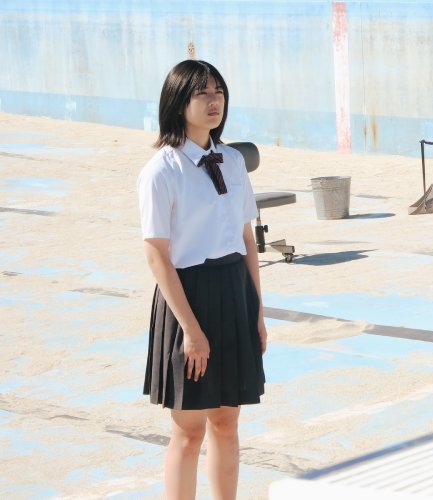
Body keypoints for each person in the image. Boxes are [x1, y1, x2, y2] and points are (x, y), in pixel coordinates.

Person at [137, 59, 268, 499]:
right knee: (189, 431)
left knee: (227, 422)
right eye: (202, 93)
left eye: (219, 92)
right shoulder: (162, 170)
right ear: (179, 102)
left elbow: (247, 240)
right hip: (187, 298)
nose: (214, 102)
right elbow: (157, 254)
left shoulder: (233, 160)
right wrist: (191, 331)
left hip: (234, 292)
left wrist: (257, 311)